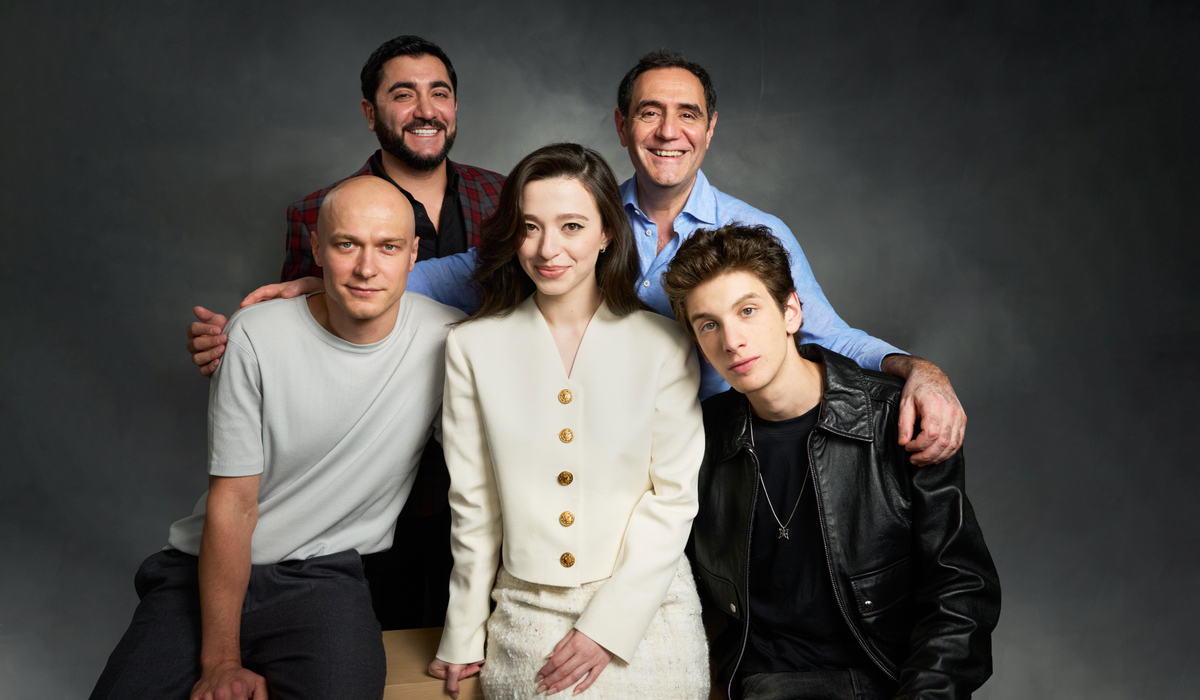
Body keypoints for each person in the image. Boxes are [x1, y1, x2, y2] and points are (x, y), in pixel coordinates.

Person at [203, 50, 966, 467]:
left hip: (718, 461)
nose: (668, 130)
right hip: (585, 461)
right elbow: (423, 279)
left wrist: (918, 370)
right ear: (623, 125)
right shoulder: (580, 226)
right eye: (649, 112)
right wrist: (314, 287)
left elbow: (827, 332)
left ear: (710, 130)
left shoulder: (754, 228)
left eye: (687, 114)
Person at [91, 177, 461, 700]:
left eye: (388, 247)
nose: (366, 267)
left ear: (413, 255)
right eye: (346, 244)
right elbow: (234, 504)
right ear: (315, 247)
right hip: (205, 570)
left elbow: (493, 476)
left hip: (324, 580)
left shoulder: (451, 340)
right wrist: (221, 662)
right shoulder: (254, 335)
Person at [191, 34, 504, 630]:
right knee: (369, 656)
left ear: (456, 108)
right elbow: (304, 341)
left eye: (439, 93)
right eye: (403, 95)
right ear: (370, 113)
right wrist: (230, 343)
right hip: (370, 494)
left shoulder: (504, 198)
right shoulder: (317, 212)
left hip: (475, 472)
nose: (425, 110)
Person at [661, 224, 1000, 700]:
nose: (732, 340)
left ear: (791, 312)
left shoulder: (894, 421)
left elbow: (961, 591)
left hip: (888, 681)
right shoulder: (700, 438)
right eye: (709, 324)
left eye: (748, 311)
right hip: (760, 685)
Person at [427, 143, 709, 699]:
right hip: (527, 607)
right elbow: (474, 505)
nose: (547, 249)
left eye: (572, 226)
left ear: (607, 232)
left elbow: (674, 499)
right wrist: (462, 632)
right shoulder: (470, 347)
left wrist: (609, 627)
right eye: (529, 227)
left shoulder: (666, 343)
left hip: (649, 606)